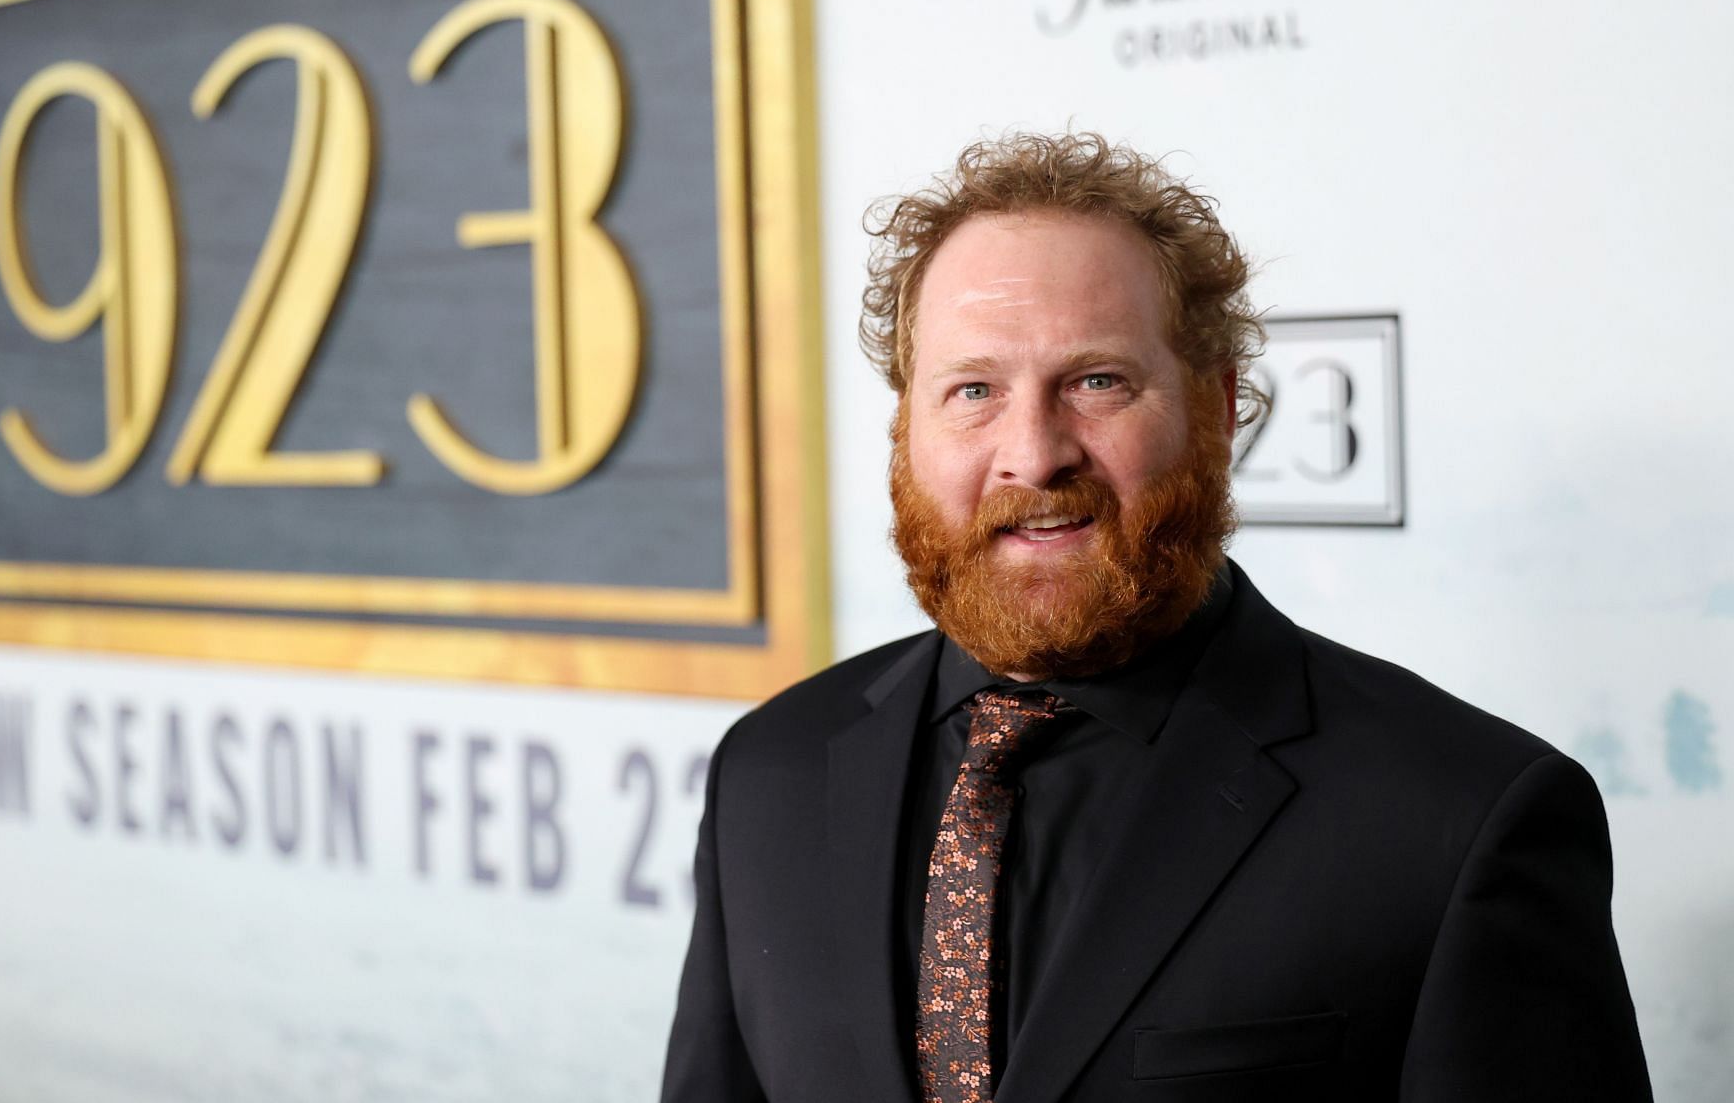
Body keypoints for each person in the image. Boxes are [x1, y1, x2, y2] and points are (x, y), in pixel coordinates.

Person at [660, 132, 1652, 1102]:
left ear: (1218, 409)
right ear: (905, 431)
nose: (1034, 452)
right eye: (973, 390)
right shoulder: (770, 771)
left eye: (1097, 381)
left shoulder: (1458, 817)